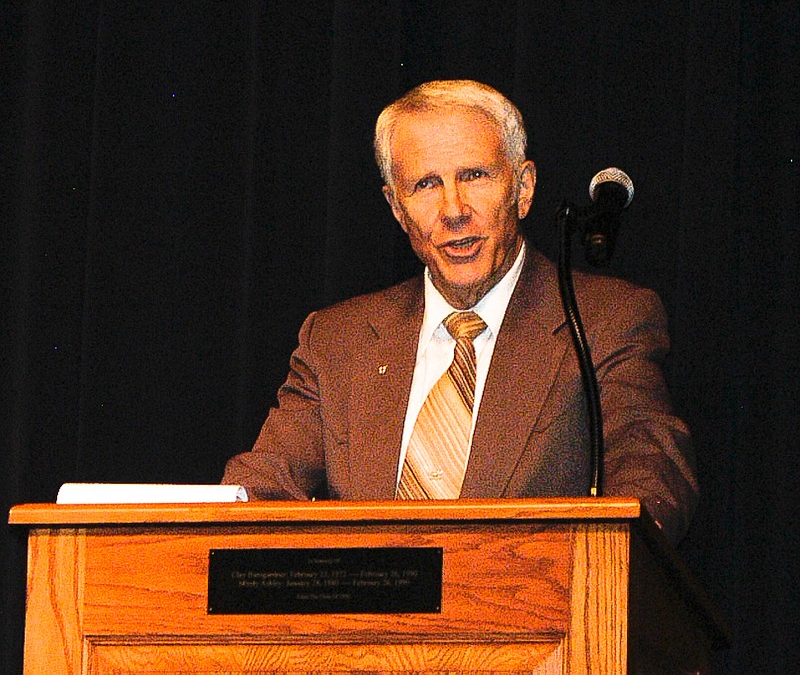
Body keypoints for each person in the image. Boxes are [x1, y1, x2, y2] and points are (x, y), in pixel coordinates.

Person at [222, 79, 698, 545]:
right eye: (426, 184)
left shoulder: (603, 322)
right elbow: (262, 488)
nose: (453, 209)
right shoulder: (338, 340)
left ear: (524, 188)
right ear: (396, 208)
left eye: (474, 176)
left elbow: (649, 471)